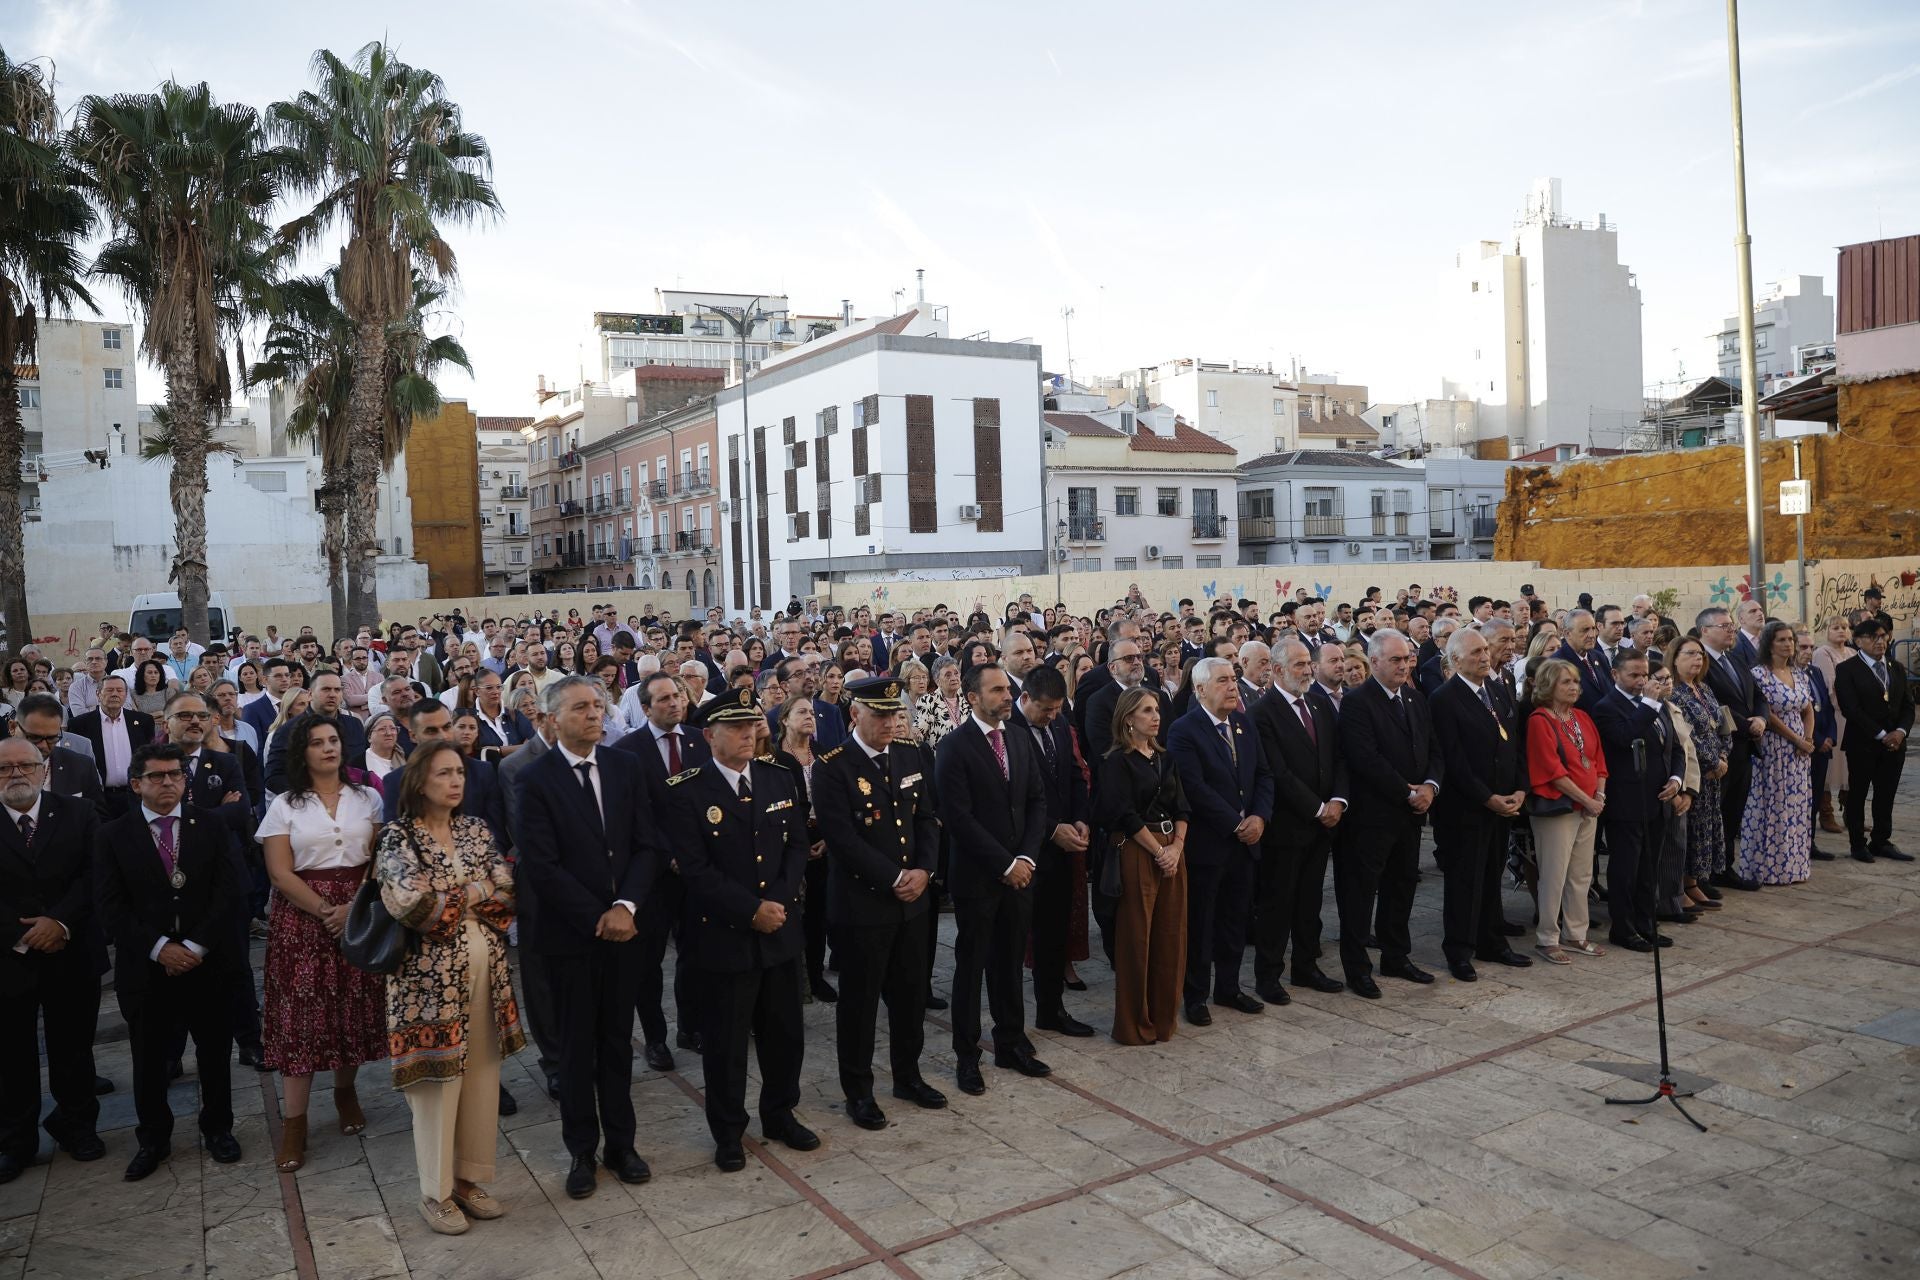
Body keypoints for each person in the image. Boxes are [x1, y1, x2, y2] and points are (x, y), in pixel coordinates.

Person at [510, 675, 660, 1199]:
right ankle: (581, 1150)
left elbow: (647, 844)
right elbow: (542, 867)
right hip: (569, 937)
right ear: (553, 719)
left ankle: (623, 1144)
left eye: (598, 706)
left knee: (617, 1043)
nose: (594, 715)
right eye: (580, 708)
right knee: (576, 1050)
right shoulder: (534, 780)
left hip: (624, 932)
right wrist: (599, 915)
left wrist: (626, 906)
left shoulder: (625, 767)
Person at [657, 686, 817, 1171]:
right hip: (725, 935)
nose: (749, 735)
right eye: (735, 728)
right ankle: (728, 1131)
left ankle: (780, 1113)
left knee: (785, 1034)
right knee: (726, 1043)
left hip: (780, 929)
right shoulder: (686, 791)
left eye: (751, 726)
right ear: (709, 735)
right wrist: (751, 910)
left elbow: (795, 846)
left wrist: (779, 901)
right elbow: (695, 870)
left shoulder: (776, 778)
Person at [375, 741, 523, 1234]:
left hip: (487, 978)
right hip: (426, 988)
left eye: (459, 772)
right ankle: (434, 1192)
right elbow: (415, 908)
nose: (456, 781)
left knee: (481, 1078)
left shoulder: (475, 829)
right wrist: (475, 893)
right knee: (438, 1088)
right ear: (420, 782)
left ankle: (468, 1180)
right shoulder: (399, 837)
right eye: (444, 773)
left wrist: (461, 896)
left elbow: (507, 894)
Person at [93, 743, 244, 1180]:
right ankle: (153, 1137)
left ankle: (218, 1128)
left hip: (207, 963)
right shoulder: (113, 835)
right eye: (157, 777)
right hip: (147, 968)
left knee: (215, 1051)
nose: (167, 783)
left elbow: (227, 891)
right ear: (137, 783)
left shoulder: (210, 825)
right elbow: (110, 906)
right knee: (149, 1057)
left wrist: (195, 946)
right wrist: (160, 948)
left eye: (175, 775)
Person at [811, 676, 946, 1130]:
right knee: (861, 1003)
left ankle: (908, 1075)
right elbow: (842, 839)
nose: (890, 722)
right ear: (856, 715)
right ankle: (859, 1090)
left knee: (909, 998)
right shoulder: (833, 766)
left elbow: (927, 818)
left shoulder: (909, 754)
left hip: (912, 902)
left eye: (893, 714)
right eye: (880, 715)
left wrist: (924, 871)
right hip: (863, 905)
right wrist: (894, 877)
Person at [258, 715, 387, 1172]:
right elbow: (279, 872)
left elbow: (378, 859)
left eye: (334, 741)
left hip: (358, 909)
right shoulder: (285, 806)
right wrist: (325, 909)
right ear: (303, 752)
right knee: (302, 1019)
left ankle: (345, 1091)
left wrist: (352, 906)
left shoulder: (367, 797)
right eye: (318, 743)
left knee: (350, 1008)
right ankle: (295, 1124)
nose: (329, 749)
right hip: (303, 918)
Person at [936, 663, 1050, 1095]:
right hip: (979, 878)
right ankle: (967, 1055)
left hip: (1020, 875)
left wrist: (1025, 858)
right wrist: (1005, 864)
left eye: (1008, 688)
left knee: (1009, 963)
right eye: (998, 690)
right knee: (971, 967)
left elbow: (1036, 801)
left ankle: (1011, 1042)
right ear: (972, 697)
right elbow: (958, 818)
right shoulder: (954, 747)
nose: (1007, 696)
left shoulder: (1018, 738)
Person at [0, 738, 104, 1183]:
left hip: (71, 949)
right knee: (10, 1056)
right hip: (8, 958)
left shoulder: (78, 813)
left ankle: (77, 1127)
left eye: (26, 765)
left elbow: (95, 873)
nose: (16, 775)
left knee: (73, 1048)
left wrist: (58, 923)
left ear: (45, 769)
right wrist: (24, 933)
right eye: (4, 769)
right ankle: (14, 1142)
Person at [607, 671, 707, 1070]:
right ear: (645, 708)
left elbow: (706, 803)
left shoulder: (700, 741)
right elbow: (635, 816)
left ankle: (691, 1025)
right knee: (647, 963)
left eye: (678, 696)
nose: (674, 703)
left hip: (698, 871)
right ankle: (655, 1038)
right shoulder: (628, 751)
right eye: (664, 699)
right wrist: (669, 855)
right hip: (653, 874)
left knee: (696, 952)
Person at [1334, 631, 1442, 998]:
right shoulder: (1357, 702)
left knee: (1402, 886)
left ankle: (1396, 955)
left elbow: (1432, 748)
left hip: (1411, 814)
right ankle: (1357, 968)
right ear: (1374, 661)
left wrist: (1430, 787)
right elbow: (1365, 758)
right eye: (1396, 660)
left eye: (1407, 659)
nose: (1404, 665)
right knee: (1360, 893)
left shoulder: (1414, 697)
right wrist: (1407, 791)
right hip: (1372, 816)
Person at [1166, 657, 1272, 1023]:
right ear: (1200, 689)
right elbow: (1193, 787)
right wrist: (1235, 823)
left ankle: (1229, 987)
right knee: (1202, 922)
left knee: (1235, 919)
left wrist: (1259, 816)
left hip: (1246, 843)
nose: (1232, 686)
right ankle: (1195, 995)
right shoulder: (1183, 730)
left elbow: (1262, 773)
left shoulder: (1243, 722)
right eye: (1223, 680)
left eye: (1234, 679)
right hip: (1208, 846)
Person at [1428, 628, 1531, 983]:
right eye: (1476, 652)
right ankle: (1459, 949)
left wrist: (1520, 789)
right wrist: (1487, 797)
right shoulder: (1444, 698)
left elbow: (1514, 744)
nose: (1486, 656)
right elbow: (1453, 760)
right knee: (1464, 880)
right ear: (1456, 660)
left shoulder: (1499, 689)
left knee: (1491, 875)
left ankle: (1492, 941)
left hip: (1504, 802)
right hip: (1467, 807)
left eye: (1486, 649)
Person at [1248, 640, 1347, 1002]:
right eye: (1299, 665)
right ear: (1276, 670)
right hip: (1287, 827)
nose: (1308, 670)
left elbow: (1337, 757)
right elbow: (1278, 772)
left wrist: (1338, 799)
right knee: (1278, 903)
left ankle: (1306, 966)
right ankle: (1268, 975)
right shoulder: (1262, 713)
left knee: (1310, 901)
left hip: (1323, 825)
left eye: (1308, 663)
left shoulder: (1319, 704)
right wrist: (1319, 809)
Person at [1094, 687, 1190, 1044]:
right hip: (1138, 851)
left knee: (1171, 937)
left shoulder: (1165, 757)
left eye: (1157, 710)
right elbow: (1123, 814)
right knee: (1137, 939)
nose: (1156, 716)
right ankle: (1135, 1025)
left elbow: (1182, 807)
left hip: (1171, 851)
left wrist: (1176, 848)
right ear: (1128, 719)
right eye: (1147, 711)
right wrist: (1158, 851)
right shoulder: (1116, 761)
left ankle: (1164, 1019)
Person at [1009, 664, 1094, 1036]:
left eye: (1058, 708)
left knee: (1053, 935)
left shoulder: (1058, 723)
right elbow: (1010, 800)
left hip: (1062, 850)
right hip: (1023, 854)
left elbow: (1074, 776)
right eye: (1045, 709)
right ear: (1025, 698)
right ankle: (1010, 1026)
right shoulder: (1006, 729)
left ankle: (1051, 1009)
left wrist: (1080, 819)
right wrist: (1050, 831)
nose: (1052, 716)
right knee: (1014, 943)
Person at [1591, 649, 1685, 950]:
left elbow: (1674, 746)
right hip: (1626, 802)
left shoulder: (1658, 704)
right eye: (1634, 675)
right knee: (1626, 871)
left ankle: (1647, 924)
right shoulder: (1608, 707)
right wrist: (1648, 703)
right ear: (1615, 675)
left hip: (1658, 799)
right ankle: (1624, 928)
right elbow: (1625, 736)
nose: (1641, 680)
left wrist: (1676, 779)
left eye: (1644, 674)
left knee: (1649, 870)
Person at [1733, 620, 1816, 886]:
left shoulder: (1799, 673)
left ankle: (1793, 867)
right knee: (1772, 806)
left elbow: (1807, 708)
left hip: (1799, 752)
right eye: (1781, 639)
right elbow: (1767, 712)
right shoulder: (1759, 674)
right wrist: (1796, 740)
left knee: (1795, 807)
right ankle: (1766, 868)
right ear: (1769, 643)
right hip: (1773, 746)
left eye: (1790, 639)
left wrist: (1808, 738)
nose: (1788, 644)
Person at [771, 695, 835, 1004]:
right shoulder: (774, 757)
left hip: (822, 840)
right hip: (789, 845)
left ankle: (816, 974)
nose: (809, 717)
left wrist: (828, 837)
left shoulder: (823, 753)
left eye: (811, 712)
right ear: (784, 720)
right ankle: (795, 981)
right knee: (792, 913)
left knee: (819, 914)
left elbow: (836, 801)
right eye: (801, 712)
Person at [1833, 618, 1913, 862]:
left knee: (1886, 794)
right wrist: (1881, 734)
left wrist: (1900, 732)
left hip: (1895, 745)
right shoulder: (1847, 669)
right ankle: (1858, 844)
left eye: (1883, 636)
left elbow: (1908, 706)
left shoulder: (1895, 667)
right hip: (1863, 743)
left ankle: (1881, 840)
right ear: (1858, 641)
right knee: (1858, 794)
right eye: (1873, 637)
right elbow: (1851, 708)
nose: (1880, 641)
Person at [1698, 607, 1765, 891]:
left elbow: (1758, 695)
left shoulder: (1735, 659)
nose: (1731, 630)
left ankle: (1726, 865)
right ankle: (1708, 871)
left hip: (1745, 748)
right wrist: (1745, 723)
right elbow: (1712, 706)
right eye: (1724, 626)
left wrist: (1761, 718)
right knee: (1715, 812)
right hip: (1720, 751)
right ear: (1705, 631)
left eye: (1731, 626)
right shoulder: (1700, 663)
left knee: (1733, 811)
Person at [1668, 637, 1730, 911]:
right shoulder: (1674, 693)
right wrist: (1710, 762)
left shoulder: (1703, 688)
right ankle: (1683, 884)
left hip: (1715, 771)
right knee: (1691, 831)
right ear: (1675, 657)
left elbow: (1721, 724)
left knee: (1707, 828)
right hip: (1696, 774)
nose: (1698, 659)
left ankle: (1695, 880)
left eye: (1701, 654)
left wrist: (1724, 756)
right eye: (1691, 653)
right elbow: (1686, 737)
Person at [69, 675, 155, 816]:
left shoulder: (143, 721)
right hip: (99, 798)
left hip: (136, 796)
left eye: (119, 690)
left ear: (126, 695)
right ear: (98, 694)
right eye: (109, 690)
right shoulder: (80, 724)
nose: (115, 694)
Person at [17, 694, 104, 813]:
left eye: (51, 738)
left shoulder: (81, 766)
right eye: (34, 737)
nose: (43, 745)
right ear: (13, 727)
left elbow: (97, 816)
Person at [1796, 627, 1838, 862]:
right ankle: (1799, 843)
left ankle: (1810, 842)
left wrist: (1831, 735)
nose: (1808, 651)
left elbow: (1827, 706)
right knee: (1802, 799)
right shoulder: (1788, 674)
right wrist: (1818, 739)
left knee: (1815, 797)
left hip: (1823, 744)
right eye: (1803, 647)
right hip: (1805, 744)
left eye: (1811, 647)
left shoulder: (1814, 672)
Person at [1810, 615, 1854, 835]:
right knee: (1830, 767)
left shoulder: (1852, 652)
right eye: (1836, 627)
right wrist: (1847, 707)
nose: (1841, 631)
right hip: (1835, 714)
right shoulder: (1822, 653)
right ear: (1826, 630)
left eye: (1845, 627)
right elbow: (1830, 686)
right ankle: (1826, 813)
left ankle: (1851, 813)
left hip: (1852, 716)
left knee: (1849, 767)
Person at [364, 711, 406, 783]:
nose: (389, 733)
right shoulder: (358, 763)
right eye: (382, 729)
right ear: (369, 737)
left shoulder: (407, 758)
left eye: (392, 728)